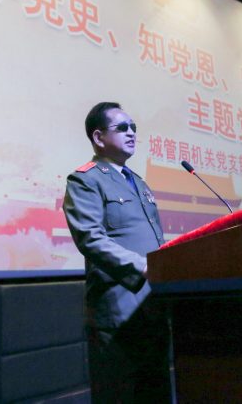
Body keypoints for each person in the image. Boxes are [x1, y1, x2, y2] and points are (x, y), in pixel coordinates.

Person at [63, 102, 171, 403]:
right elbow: (90, 238)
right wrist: (142, 267)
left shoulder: (138, 182)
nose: (132, 133)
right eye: (122, 127)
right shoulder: (85, 180)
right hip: (118, 311)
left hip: (154, 306)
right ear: (99, 137)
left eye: (134, 127)